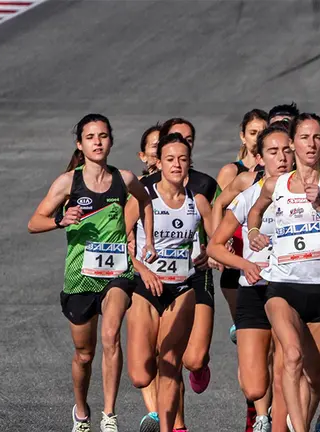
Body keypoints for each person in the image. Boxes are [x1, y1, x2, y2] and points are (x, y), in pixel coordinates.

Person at [28, 114, 156, 432]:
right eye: (90, 137)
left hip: (116, 274)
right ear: (80, 144)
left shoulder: (123, 179)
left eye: (102, 136)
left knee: (111, 335)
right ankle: (82, 410)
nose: (97, 142)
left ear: (110, 141)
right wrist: (61, 220)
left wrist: (147, 239)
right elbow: (34, 222)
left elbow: (145, 201)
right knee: (84, 355)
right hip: (80, 276)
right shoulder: (67, 182)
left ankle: (109, 415)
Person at [246, 113, 320, 432]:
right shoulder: (275, 184)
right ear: (292, 143)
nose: (312, 144)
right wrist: (253, 231)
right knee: (291, 356)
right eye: (304, 138)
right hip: (281, 285)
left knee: (314, 374)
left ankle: (301, 422)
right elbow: (255, 209)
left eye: (318, 137)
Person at [125, 133, 216, 432]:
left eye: (182, 159)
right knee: (140, 374)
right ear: (159, 162)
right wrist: (142, 269)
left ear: (190, 162)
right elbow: (120, 244)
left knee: (170, 363)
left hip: (182, 287)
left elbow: (216, 240)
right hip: (146, 287)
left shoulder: (198, 200)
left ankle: (169, 429)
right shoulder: (142, 197)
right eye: (170, 159)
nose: (177, 164)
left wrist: (208, 255)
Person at [208, 125, 295, 432]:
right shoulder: (249, 195)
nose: (281, 158)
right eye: (273, 152)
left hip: (290, 291)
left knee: (287, 368)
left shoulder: (308, 194)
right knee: (254, 385)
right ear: (259, 158)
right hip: (253, 289)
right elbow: (214, 246)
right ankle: (261, 412)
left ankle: (275, 424)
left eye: (287, 150)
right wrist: (244, 263)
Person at [214, 109, 269, 337]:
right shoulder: (234, 172)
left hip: (266, 256)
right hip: (237, 256)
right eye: (253, 132)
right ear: (243, 136)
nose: (257, 137)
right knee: (246, 333)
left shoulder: (279, 170)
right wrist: (220, 242)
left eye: (262, 132)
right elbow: (219, 205)